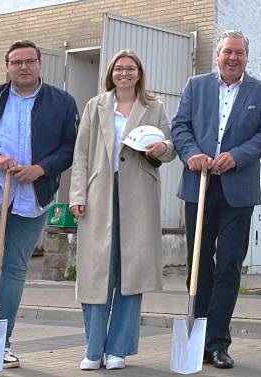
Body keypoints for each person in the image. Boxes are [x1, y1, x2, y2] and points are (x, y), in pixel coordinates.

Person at [0, 40, 78, 369]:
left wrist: (41, 169)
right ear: (7, 66)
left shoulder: (62, 102)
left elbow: (71, 146)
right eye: (16, 62)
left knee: (13, 266)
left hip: (35, 190)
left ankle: (2, 343)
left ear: (39, 64)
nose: (23, 67)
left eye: (29, 61)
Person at [171, 30, 261, 369]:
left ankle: (217, 342)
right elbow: (180, 126)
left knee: (229, 265)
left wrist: (237, 156)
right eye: (227, 52)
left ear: (247, 57)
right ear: (217, 56)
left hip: (238, 190)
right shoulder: (196, 86)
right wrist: (191, 153)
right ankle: (197, 335)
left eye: (239, 53)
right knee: (199, 264)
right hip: (199, 187)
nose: (233, 58)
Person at [69, 50, 177, 370]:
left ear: (139, 74)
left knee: (131, 274)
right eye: (119, 68)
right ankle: (93, 349)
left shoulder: (154, 107)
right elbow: (81, 153)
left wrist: (162, 148)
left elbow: (171, 147)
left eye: (130, 69)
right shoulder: (95, 105)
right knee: (95, 272)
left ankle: (118, 349)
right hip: (99, 193)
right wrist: (77, 194)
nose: (124, 73)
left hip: (139, 195)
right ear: (111, 73)